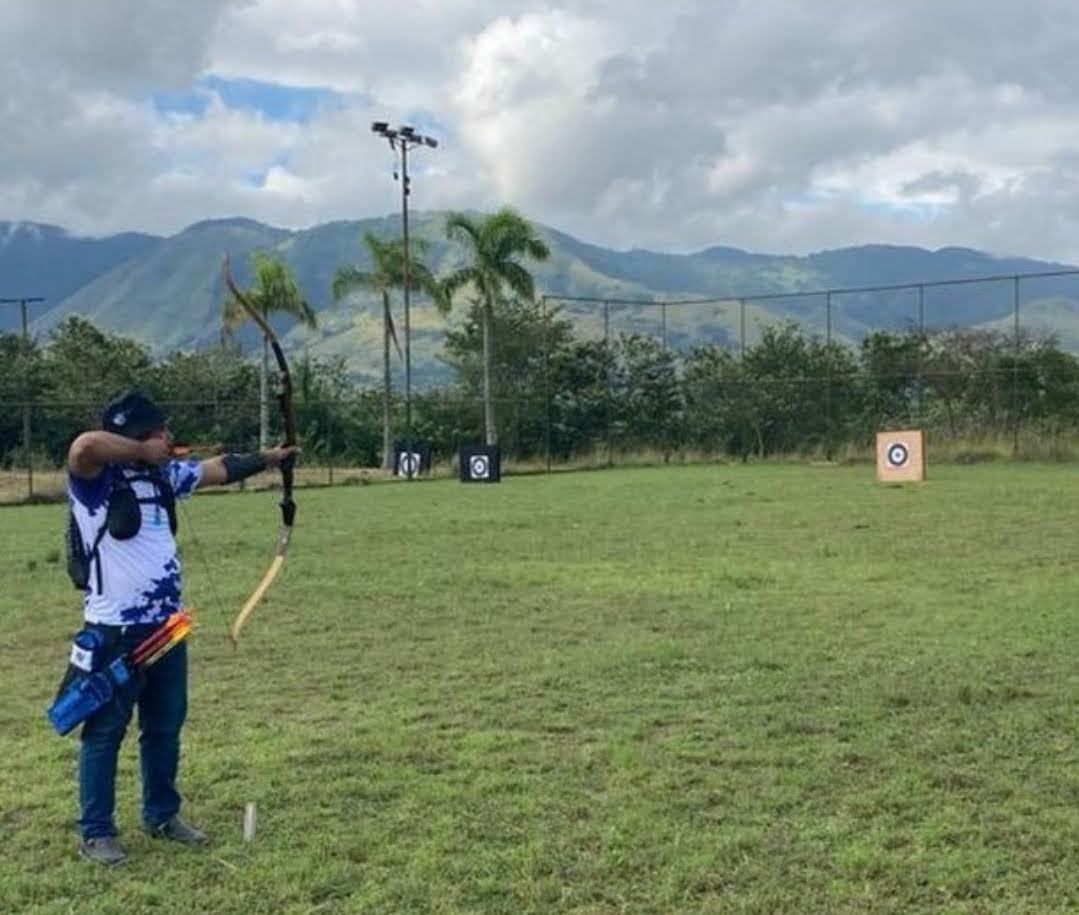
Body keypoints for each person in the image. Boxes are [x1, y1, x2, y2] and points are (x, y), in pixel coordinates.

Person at [65, 389, 297, 864]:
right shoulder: (95, 480)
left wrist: (271, 459)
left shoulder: (166, 476)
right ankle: (96, 831)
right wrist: (136, 451)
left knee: (164, 726)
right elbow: (85, 445)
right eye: (159, 432)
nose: (168, 438)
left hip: (167, 629)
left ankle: (162, 815)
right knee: (106, 730)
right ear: (138, 437)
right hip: (114, 631)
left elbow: (219, 468)